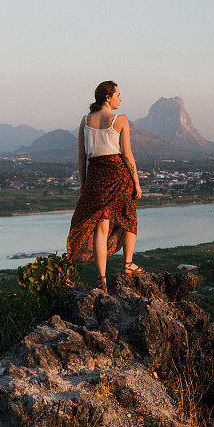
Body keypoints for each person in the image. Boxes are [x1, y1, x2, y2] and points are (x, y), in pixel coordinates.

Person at [66, 80, 143, 291]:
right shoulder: (120, 120)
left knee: (101, 227)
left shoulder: (85, 120)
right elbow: (127, 155)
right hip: (118, 174)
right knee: (129, 217)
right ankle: (128, 264)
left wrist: (84, 184)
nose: (121, 98)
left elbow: (82, 157)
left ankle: (102, 279)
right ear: (107, 97)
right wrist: (136, 182)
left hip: (95, 176)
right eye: (118, 94)